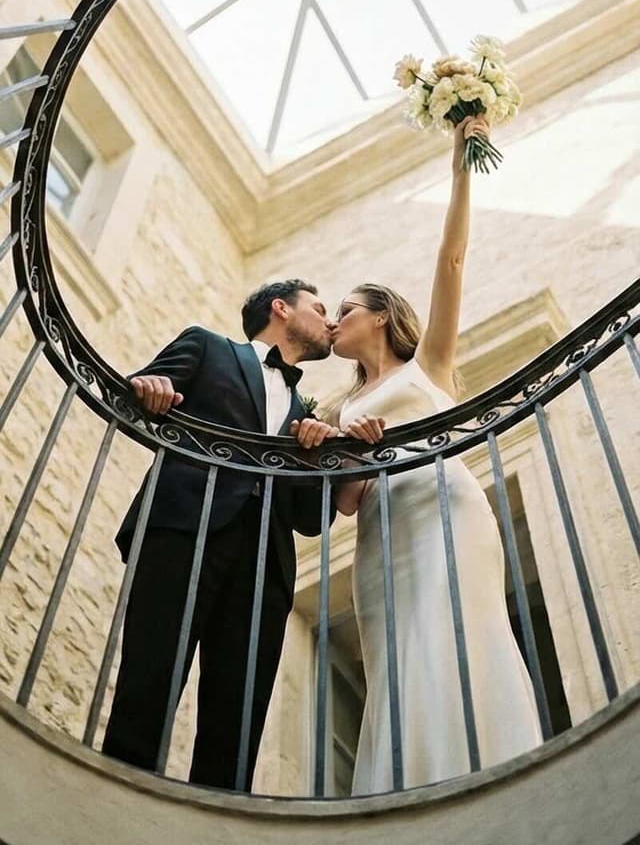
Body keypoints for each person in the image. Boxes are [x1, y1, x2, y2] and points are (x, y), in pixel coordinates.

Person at [303, 116, 543, 793]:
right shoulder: (338, 408)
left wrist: (461, 161)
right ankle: (408, 787)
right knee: (396, 657)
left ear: (381, 315)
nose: (334, 321)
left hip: (445, 514)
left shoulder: (428, 368)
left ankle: (489, 772)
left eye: (345, 309)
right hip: (379, 536)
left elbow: (452, 258)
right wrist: (351, 458)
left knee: (454, 630)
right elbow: (348, 503)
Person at [102, 280, 338, 791]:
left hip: (264, 566)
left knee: (239, 710)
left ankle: (217, 825)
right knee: (149, 676)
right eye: (319, 309)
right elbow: (134, 399)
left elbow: (312, 520)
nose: (330, 321)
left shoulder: (307, 413)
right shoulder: (208, 346)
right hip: (185, 529)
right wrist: (150, 388)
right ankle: (116, 799)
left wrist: (317, 457)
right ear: (280, 308)